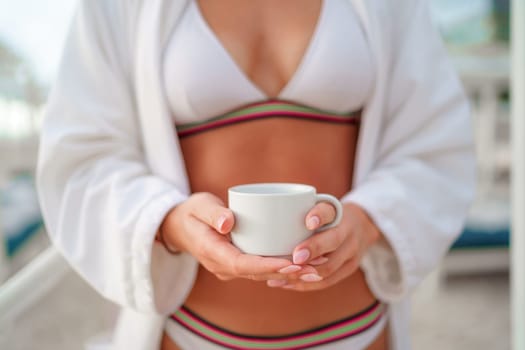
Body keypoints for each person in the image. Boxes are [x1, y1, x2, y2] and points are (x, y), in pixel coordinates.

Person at [36, 0, 476, 349]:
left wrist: (366, 221)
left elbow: (434, 140)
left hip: (357, 333)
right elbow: (83, 156)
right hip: (194, 335)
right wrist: (170, 222)